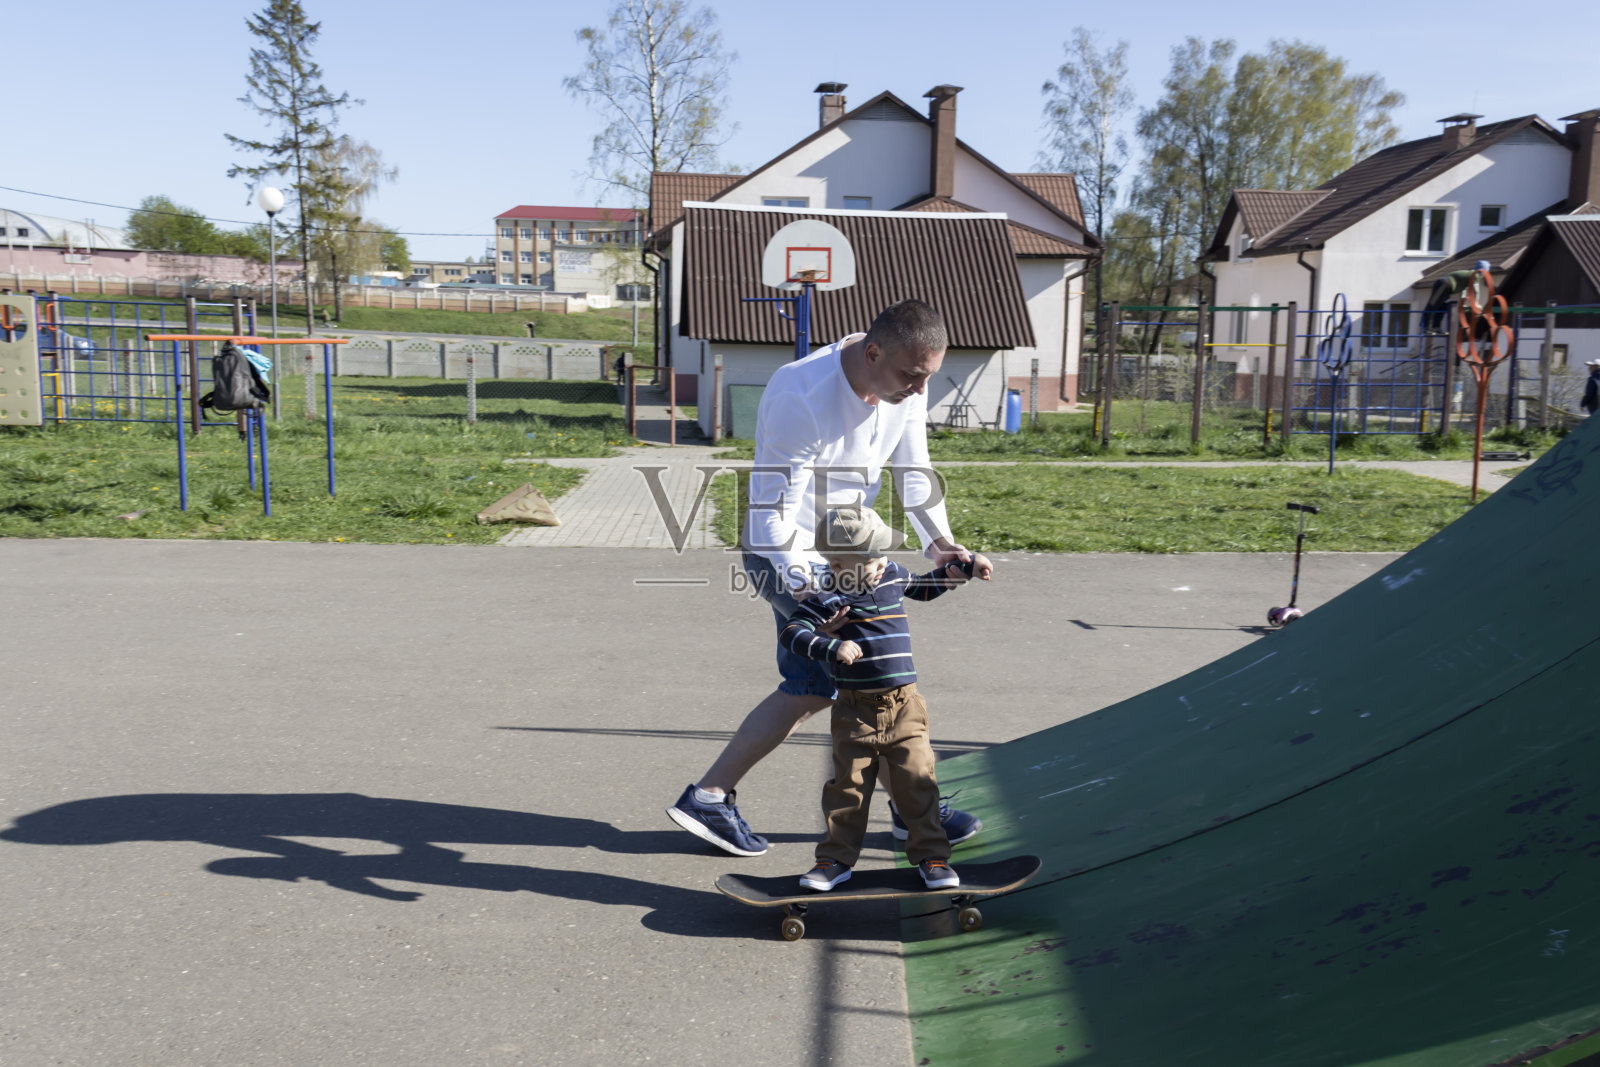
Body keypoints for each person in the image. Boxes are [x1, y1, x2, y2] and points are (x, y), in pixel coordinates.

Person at [667, 298, 994, 857]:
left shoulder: (905, 381)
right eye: (912, 377)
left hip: (846, 555)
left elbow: (913, 468)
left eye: (928, 377)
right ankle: (908, 810)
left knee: (828, 686)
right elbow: (772, 516)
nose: (920, 390)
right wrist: (809, 587)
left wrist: (940, 543)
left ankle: (714, 797)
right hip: (785, 554)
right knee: (859, 682)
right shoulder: (801, 393)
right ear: (873, 353)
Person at [786, 505, 972, 891]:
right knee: (847, 790)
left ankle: (933, 857)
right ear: (838, 565)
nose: (883, 563)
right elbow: (793, 632)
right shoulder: (827, 595)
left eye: (883, 555)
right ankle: (834, 861)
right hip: (854, 712)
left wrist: (961, 571)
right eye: (872, 560)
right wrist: (829, 646)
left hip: (905, 708)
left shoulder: (890, 574)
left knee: (918, 782)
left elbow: (923, 587)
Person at [1422, 260, 1491, 334]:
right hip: (1443, 284)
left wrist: (1463, 303)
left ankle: (1436, 327)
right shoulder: (1475, 275)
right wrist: (1476, 303)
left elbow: (1464, 289)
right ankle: (1426, 328)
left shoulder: (1469, 275)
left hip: (1446, 288)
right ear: (1483, 271)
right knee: (1433, 305)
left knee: (1443, 306)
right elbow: (1476, 291)